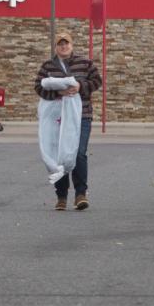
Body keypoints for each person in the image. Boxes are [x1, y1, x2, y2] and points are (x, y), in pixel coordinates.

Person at [34, 32, 102, 211]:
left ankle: (81, 194)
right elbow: (38, 87)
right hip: (58, 119)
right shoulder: (48, 66)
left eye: (66, 43)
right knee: (60, 155)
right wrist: (58, 93)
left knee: (79, 153)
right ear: (56, 47)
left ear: (72, 45)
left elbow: (97, 81)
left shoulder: (85, 64)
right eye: (60, 44)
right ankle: (61, 195)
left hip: (82, 116)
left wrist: (81, 87)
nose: (63, 46)